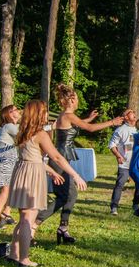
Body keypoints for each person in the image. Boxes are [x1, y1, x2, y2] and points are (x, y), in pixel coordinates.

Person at [34, 83, 123, 244]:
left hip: (61, 157)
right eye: (76, 99)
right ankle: (35, 223)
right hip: (59, 158)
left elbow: (78, 125)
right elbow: (89, 128)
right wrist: (112, 122)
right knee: (66, 195)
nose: (78, 102)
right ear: (72, 100)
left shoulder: (66, 116)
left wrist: (88, 118)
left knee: (69, 194)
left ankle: (63, 228)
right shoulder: (68, 115)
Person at [7, 100, 87, 267]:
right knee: (28, 219)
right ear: (38, 114)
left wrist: (52, 172)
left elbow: (33, 157)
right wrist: (76, 175)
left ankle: (14, 254)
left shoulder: (22, 132)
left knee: (23, 217)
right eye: (44, 111)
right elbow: (57, 157)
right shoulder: (40, 134)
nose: (46, 115)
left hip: (22, 171)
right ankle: (24, 258)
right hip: (32, 175)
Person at [0, 105, 21, 229]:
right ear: (9, 114)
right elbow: (24, 135)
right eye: (15, 110)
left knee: (13, 188)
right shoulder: (9, 126)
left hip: (9, 160)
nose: (18, 111)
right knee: (6, 190)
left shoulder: (12, 126)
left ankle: (6, 213)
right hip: (4, 161)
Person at [108, 109, 139, 215]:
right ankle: (114, 207)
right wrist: (118, 155)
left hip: (136, 163)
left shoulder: (138, 130)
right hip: (125, 163)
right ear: (126, 117)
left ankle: (135, 205)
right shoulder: (120, 130)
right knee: (120, 184)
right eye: (131, 112)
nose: (134, 114)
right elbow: (112, 145)